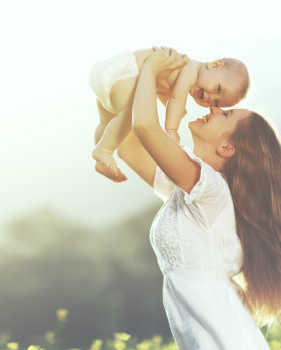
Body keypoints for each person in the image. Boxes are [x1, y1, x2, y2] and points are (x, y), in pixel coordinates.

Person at [116, 47, 280, 349]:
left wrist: (151, 69)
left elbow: (144, 127)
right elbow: (127, 146)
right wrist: (112, 84)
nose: (214, 109)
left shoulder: (209, 188)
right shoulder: (195, 188)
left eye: (225, 112)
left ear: (226, 148)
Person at [89, 47, 249, 183]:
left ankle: (100, 152)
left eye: (216, 103)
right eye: (218, 89)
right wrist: (172, 130)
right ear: (215, 65)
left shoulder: (179, 67)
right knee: (131, 113)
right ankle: (104, 151)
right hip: (123, 72)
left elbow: (162, 89)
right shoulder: (190, 69)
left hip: (109, 73)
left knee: (106, 120)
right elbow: (176, 98)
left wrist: (172, 107)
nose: (211, 97)